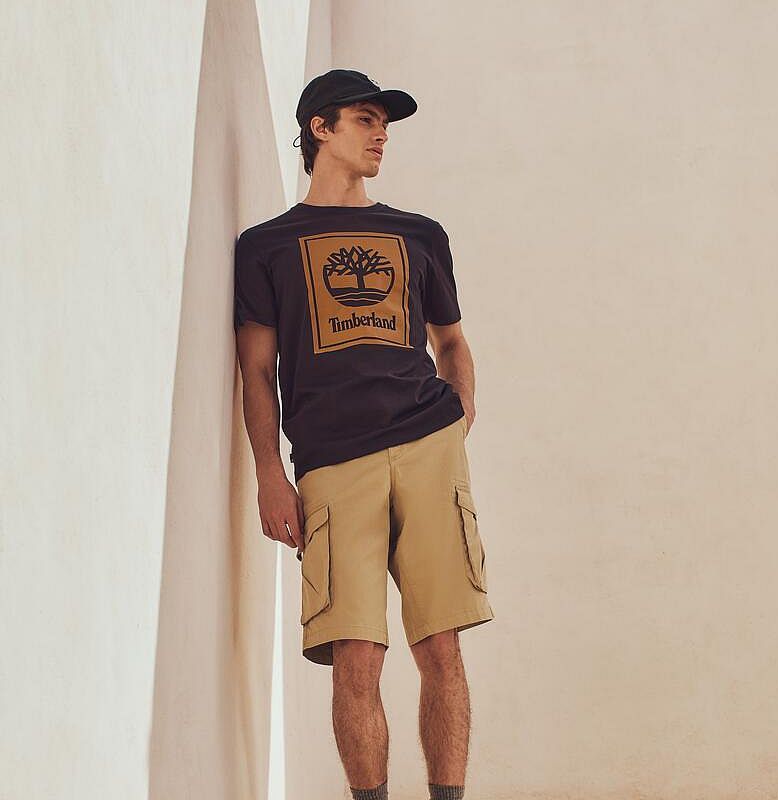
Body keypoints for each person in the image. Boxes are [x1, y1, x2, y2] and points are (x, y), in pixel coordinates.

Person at [233, 68, 494, 800]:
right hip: (330, 463)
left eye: (385, 123)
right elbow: (256, 371)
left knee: (441, 646)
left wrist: (460, 410)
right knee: (356, 655)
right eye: (365, 119)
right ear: (320, 129)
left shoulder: (419, 235)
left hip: (427, 444)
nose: (382, 135)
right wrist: (269, 473)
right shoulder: (265, 245)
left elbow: (452, 340)